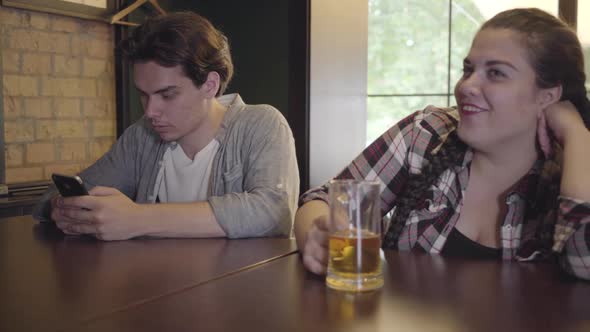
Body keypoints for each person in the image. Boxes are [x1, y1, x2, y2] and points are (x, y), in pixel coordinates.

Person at [295, 8, 590, 280]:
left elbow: (583, 261)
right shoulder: (426, 133)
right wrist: (317, 235)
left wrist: (576, 134)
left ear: (548, 96)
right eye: (468, 69)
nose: (467, 86)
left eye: (496, 73)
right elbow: (322, 201)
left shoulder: (573, 167)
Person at [33, 12, 299, 240]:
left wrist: (138, 219)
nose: (149, 112)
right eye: (144, 94)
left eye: (167, 95)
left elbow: (273, 212)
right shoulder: (142, 136)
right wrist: (63, 208)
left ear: (210, 85)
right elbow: (49, 200)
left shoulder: (261, 124)